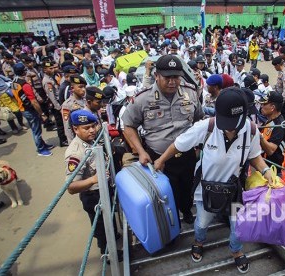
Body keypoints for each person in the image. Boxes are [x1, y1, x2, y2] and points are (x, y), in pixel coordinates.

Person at [153, 87, 273, 274]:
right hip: (206, 189)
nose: (230, 127)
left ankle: (236, 250)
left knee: (238, 226)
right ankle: (199, 241)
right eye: (226, 122)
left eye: (235, 123)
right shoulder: (206, 127)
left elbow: (255, 155)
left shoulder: (250, 130)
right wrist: (160, 161)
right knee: (202, 222)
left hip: (234, 189)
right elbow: (179, 144)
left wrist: (266, 171)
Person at [122, 55, 204, 224]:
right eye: (168, 77)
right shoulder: (143, 99)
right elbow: (128, 125)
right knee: (165, 194)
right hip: (159, 158)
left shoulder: (190, 93)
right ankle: (171, 223)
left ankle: (187, 210)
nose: (173, 82)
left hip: (187, 154)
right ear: (156, 76)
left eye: (176, 77)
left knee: (187, 186)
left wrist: (198, 145)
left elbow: (199, 119)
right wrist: (141, 151)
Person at [65, 109, 123, 260]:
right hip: (93, 196)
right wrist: (93, 179)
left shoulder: (90, 141)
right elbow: (71, 187)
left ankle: (113, 238)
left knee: (108, 221)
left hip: (103, 191)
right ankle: (109, 256)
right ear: (75, 129)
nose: (92, 130)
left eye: (93, 126)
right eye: (86, 128)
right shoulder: (76, 152)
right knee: (101, 228)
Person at [12, 63, 54, 156]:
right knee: (36, 130)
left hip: (22, 108)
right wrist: (42, 114)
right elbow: (34, 101)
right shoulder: (25, 85)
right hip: (29, 109)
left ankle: (42, 145)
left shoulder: (14, 82)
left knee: (35, 129)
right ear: (24, 72)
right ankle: (41, 149)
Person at [258, 91, 285, 176]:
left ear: (272, 107)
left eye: (264, 104)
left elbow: (270, 150)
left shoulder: (280, 126)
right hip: (265, 167)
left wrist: (258, 136)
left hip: (274, 172)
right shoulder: (270, 119)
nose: (261, 106)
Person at [62, 75, 87, 143]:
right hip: (78, 139)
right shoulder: (67, 105)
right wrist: (72, 144)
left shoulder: (86, 100)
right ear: (72, 88)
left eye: (84, 87)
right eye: (80, 87)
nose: (84, 89)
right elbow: (68, 127)